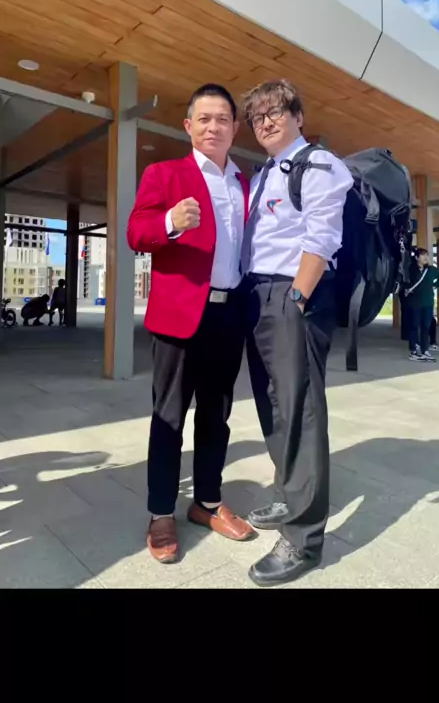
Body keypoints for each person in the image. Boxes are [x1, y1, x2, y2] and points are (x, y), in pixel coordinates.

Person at [127, 83, 254, 564]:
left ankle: (207, 502)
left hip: (229, 314)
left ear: (234, 127)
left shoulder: (246, 183)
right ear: (188, 126)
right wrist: (170, 223)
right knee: (169, 417)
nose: (213, 127)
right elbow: (135, 232)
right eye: (204, 118)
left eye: (222, 119)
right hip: (180, 316)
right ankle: (161, 512)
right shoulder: (164, 174)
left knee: (217, 416)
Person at [240, 78, 354, 587]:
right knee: (274, 406)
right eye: (257, 117)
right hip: (258, 294)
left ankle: (303, 539)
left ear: (298, 116)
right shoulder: (266, 172)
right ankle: (290, 493)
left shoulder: (320, 164)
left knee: (302, 410)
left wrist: (297, 299)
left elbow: (323, 235)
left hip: (292, 294)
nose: (265, 122)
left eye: (275, 112)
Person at [405, 248, 439, 362]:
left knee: (425, 327)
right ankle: (413, 351)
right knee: (414, 326)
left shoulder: (431, 270)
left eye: (426, 255)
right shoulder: (410, 269)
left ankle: (425, 350)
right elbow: (404, 281)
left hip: (428, 303)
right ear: (416, 257)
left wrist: (435, 285)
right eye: (422, 255)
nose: (425, 257)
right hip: (414, 303)